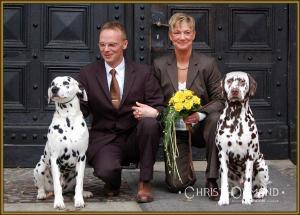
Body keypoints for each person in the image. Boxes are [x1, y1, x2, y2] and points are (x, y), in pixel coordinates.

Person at [132, 13, 224, 201]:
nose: (182, 37)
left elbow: (220, 100)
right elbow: (155, 99)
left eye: (187, 32)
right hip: (174, 130)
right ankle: (185, 172)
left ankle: (212, 179)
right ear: (171, 36)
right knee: (177, 185)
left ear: (194, 35)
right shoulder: (159, 65)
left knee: (216, 119)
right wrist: (162, 114)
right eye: (177, 32)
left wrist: (200, 114)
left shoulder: (208, 64)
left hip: (200, 126)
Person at [78, 21, 164, 203]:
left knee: (150, 123)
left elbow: (159, 106)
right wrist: (66, 100)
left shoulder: (143, 73)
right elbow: (81, 110)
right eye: (102, 45)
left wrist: (154, 112)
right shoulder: (87, 73)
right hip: (105, 138)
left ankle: (144, 182)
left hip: (135, 137)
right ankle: (113, 179)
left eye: (112, 45)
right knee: (105, 171)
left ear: (124, 44)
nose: (106, 49)